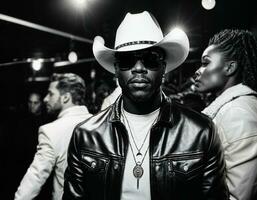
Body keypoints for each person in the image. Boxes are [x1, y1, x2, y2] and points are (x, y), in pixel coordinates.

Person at [63, 11, 228, 200]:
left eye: (150, 59)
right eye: (126, 59)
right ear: (116, 69)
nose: (139, 68)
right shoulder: (86, 135)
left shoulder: (201, 132)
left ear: (164, 67)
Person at [194, 29, 257, 200]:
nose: (198, 71)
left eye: (205, 63)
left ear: (230, 67)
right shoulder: (229, 109)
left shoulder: (238, 114)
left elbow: (238, 196)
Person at [15, 73, 92, 200]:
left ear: (65, 97)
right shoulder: (102, 123)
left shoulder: (51, 131)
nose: (45, 99)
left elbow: (35, 177)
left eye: (50, 94)